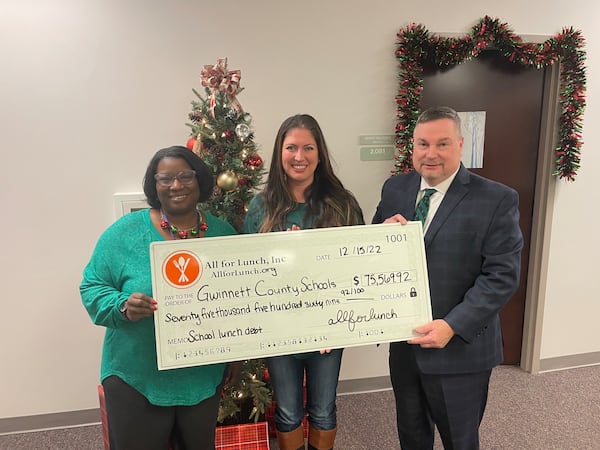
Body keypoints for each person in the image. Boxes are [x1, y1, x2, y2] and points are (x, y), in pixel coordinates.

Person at [372, 106, 523, 450]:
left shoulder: (496, 199)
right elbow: (373, 250)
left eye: (442, 144)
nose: (431, 154)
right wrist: (380, 234)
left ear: (460, 144)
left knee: (460, 440)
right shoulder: (396, 188)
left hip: (460, 351)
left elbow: (501, 276)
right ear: (412, 145)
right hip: (406, 347)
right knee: (412, 436)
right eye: (422, 144)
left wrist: (452, 325)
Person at [81, 145, 239, 450]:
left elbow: (236, 302)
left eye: (184, 176)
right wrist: (122, 306)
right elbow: (91, 287)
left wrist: (234, 353)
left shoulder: (223, 234)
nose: (176, 185)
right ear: (154, 186)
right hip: (137, 376)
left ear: (199, 179)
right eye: (164, 178)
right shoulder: (124, 234)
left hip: (201, 376)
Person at [243, 114, 364, 450]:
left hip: (328, 328)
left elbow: (357, 267)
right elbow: (249, 272)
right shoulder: (261, 207)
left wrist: (333, 322)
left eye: (308, 147)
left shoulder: (342, 205)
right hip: (280, 331)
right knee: (287, 411)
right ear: (279, 153)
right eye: (291, 147)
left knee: (324, 409)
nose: (300, 156)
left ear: (320, 153)